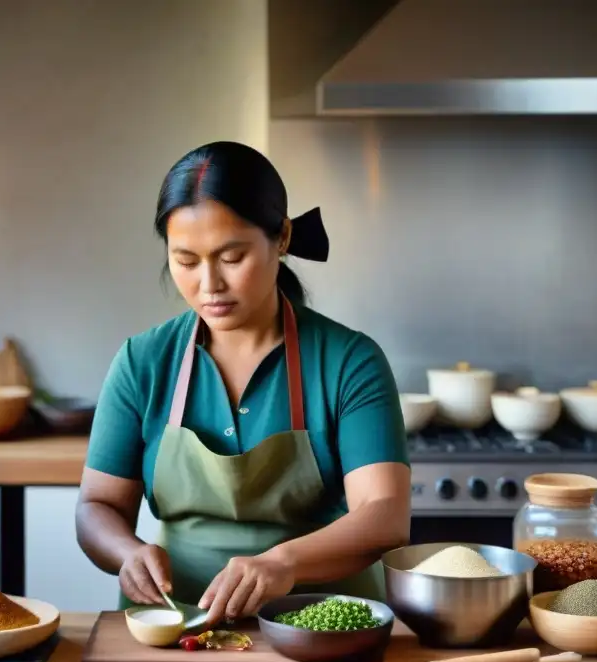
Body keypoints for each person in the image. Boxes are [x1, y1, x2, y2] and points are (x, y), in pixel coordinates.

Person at [75, 140, 411, 627]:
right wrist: (126, 552)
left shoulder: (349, 361)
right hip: (176, 625)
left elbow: (384, 515)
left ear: (281, 238)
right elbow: (97, 506)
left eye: (231, 257)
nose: (209, 284)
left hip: (319, 630)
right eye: (186, 261)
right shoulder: (142, 362)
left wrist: (283, 564)